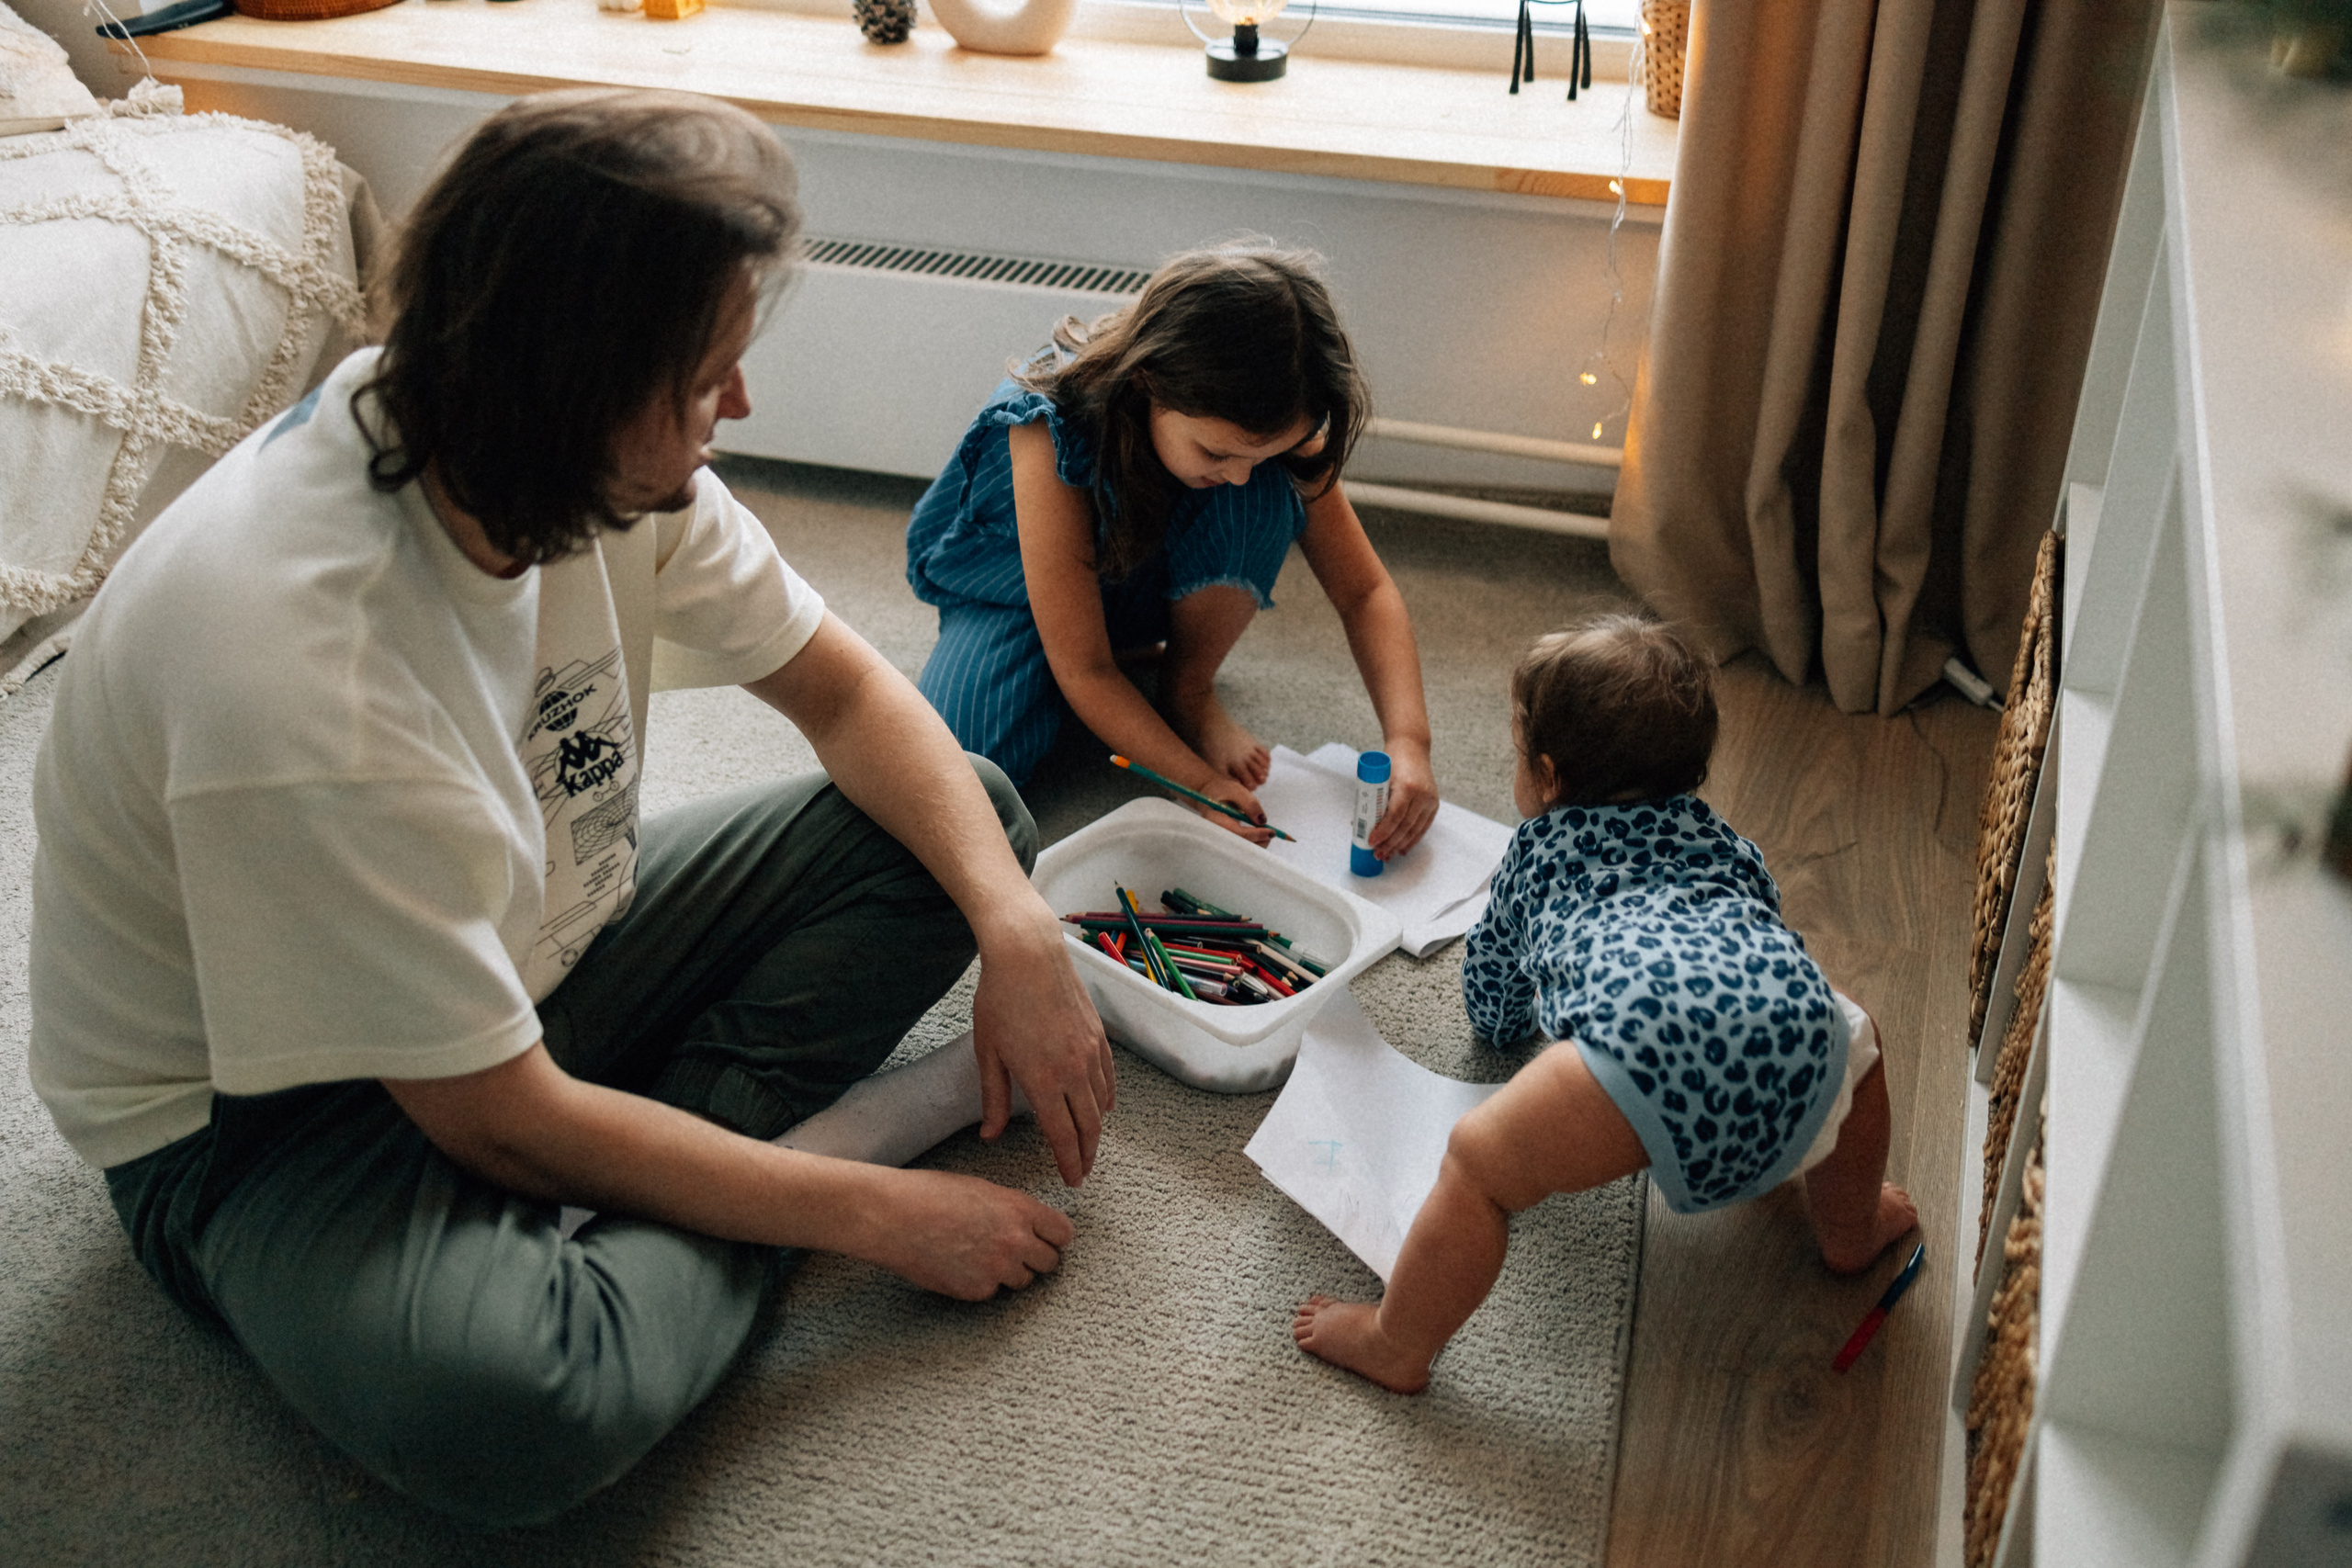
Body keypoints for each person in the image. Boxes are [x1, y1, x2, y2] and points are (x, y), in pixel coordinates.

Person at [26, 88, 1117, 1526]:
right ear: (577, 384)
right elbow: (496, 1120)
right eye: (713, 372)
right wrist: (866, 1210)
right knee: (518, 1407)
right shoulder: (307, 675)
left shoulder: (588, 470)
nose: (744, 405)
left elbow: (849, 696)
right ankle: (792, 1158)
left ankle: (690, 1194)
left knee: (958, 816)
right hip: (252, 1117)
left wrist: (1016, 924)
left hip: (530, 938)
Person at [1291, 614, 1918, 1393]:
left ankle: (1397, 1340)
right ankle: (1851, 1228)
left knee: (1478, 1164)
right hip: (1793, 1026)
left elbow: (1492, 982)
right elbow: (1763, 913)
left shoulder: (1535, 850)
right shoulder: (1720, 837)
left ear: (1546, 775)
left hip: (1643, 1045)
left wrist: (1499, 1025)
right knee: (1856, 1031)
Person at [904, 244, 1439, 861]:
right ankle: (1112, 675)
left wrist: (1410, 741)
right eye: (1216, 453)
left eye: (1258, 456)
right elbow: (1085, 667)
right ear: (1147, 382)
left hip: (1146, 581)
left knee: (1267, 494)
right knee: (952, 769)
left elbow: (1364, 591)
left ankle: (1185, 691)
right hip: (1012, 592)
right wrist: (1198, 782)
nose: (1239, 476)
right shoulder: (1045, 419)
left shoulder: (1269, 425)